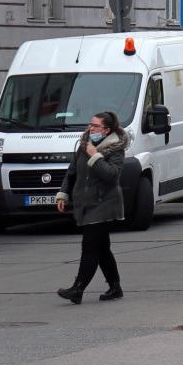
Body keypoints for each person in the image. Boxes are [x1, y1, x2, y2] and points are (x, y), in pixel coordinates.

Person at [55, 111, 128, 304]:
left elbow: (112, 175)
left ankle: (77, 289)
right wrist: (63, 193)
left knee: (89, 246)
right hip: (86, 203)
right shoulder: (84, 145)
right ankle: (115, 287)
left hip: (105, 203)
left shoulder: (115, 149)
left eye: (96, 126)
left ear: (107, 130)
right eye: (91, 125)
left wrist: (95, 157)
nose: (91, 129)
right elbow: (72, 172)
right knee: (102, 248)